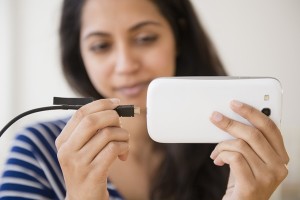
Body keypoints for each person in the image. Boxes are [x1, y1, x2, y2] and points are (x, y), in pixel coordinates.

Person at [0, 0, 289, 199]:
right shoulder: (37, 152)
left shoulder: (230, 151)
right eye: (101, 46)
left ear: (178, 36)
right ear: (80, 56)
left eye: (145, 38)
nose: (125, 65)